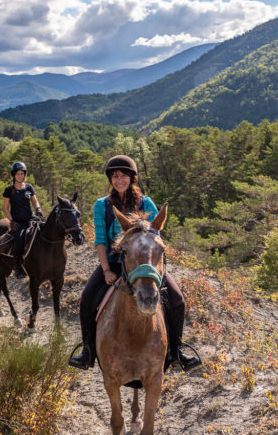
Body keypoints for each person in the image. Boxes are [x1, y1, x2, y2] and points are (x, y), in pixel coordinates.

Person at [68, 155, 201, 373]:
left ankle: (177, 350)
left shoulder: (146, 203)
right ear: (111, 179)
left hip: (144, 264)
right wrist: (107, 270)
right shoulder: (102, 205)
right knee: (87, 299)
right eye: (115, 176)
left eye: (123, 176)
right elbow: (101, 240)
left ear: (132, 178)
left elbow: (153, 238)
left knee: (177, 299)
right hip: (114, 263)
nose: (119, 180)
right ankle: (88, 351)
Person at [2, 161, 42, 274]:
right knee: (19, 239)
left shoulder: (29, 187)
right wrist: (11, 221)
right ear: (14, 175)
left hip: (30, 218)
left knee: (44, 229)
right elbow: (5, 208)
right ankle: (17, 266)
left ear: (25, 174)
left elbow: (35, 201)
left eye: (22, 173)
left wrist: (38, 209)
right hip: (18, 222)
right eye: (18, 174)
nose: (20, 176)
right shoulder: (9, 190)